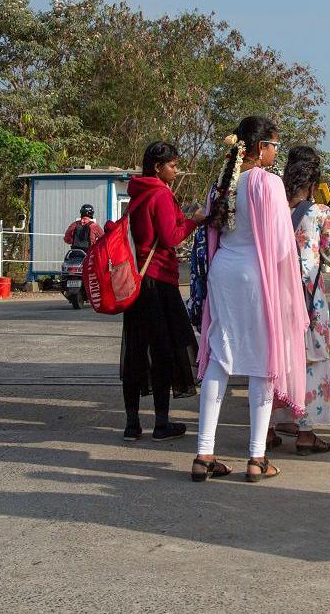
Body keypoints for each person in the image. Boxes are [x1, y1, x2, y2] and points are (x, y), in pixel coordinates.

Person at [191, 116, 309, 483]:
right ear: (260, 148)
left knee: (220, 355)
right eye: (275, 144)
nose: (276, 151)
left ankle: (204, 453)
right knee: (263, 360)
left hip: (224, 271)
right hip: (256, 274)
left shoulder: (223, 183)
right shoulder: (268, 183)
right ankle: (256, 458)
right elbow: (277, 245)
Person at [121, 142, 204, 442]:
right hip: (159, 280)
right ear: (158, 167)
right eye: (172, 165)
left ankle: (132, 424)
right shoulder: (160, 193)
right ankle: (161, 423)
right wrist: (194, 222)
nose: (176, 170)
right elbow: (169, 238)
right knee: (164, 352)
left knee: (135, 353)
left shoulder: (137, 194)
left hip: (137, 283)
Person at [272, 146, 330, 455]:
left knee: (278, 360)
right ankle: (306, 432)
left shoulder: (274, 209)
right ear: (314, 183)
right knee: (312, 361)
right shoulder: (320, 212)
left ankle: (272, 427)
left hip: (276, 296)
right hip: (310, 297)